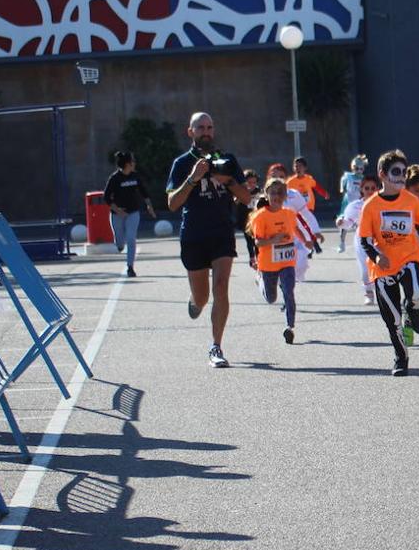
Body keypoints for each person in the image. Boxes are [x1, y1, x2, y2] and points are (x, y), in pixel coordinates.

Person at [166, 111, 251, 368]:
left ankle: (216, 346)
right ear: (190, 132)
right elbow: (172, 204)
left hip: (222, 232)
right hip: (194, 234)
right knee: (202, 297)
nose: (206, 132)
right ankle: (195, 302)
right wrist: (193, 178)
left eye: (210, 127)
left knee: (222, 286)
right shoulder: (181, 163)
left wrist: (228, 181)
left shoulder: (226, 159)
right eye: (201, 127)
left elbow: (246, 198)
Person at [358, 151, 419, 374]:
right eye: (396, 172)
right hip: (383, 267)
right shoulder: (370, 206)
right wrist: (377, 256)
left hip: (409, 258)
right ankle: (401, 356)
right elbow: (365, 240)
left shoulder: (412, 201)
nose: (401, 177)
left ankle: (413, 309)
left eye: (404, 172)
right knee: (393, 318)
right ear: (382, 174)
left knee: (417, 293)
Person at [246, 178, 303, 344]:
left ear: (286, 195)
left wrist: (307, 241)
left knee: (288, 292)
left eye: (281, 193)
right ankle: (260, 280)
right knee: (271, 298)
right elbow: (258, 242)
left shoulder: (289, 214)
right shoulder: (260, 217)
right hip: (268, 264)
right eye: (273, 193)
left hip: (287, 262)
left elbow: (296, 229)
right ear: (266, 194)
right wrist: (274, 239)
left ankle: (289, 327)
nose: (277, 196)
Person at [103, 150, 155, 278]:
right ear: (127, 164)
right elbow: (106, 197)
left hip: (133, 212)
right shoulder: (114, 178)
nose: (134, 164)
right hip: (117, 214)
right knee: (120, 242)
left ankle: (130, 267)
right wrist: (117, 210)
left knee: (131, 238)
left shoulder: (135, 176)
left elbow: (144, 192)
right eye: (133, 162)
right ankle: (119, 244)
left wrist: (149, 205)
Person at [335, 172, 380, 304]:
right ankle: (368, 293)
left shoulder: (383, 204)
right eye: (367, 188)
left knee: (382, 266)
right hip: (362, 240)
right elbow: (348, 222)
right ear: (361, 189)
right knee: (365, 268)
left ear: (378, 188)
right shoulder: (356, 205)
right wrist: (341, 222)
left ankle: (384, 291)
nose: (370, 191)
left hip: (381, 240)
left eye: (373, 188)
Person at [337, 154, 367, 251]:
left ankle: (362, 242)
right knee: (344, 222)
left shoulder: (364, 179)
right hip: (348, 202)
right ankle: (342, 242)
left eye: (361, 169)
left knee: (361, 223)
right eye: (356, 168)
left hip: (359, 202)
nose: (358, 171)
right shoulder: (347, 176)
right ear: (353, 167)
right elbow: (343, 188)